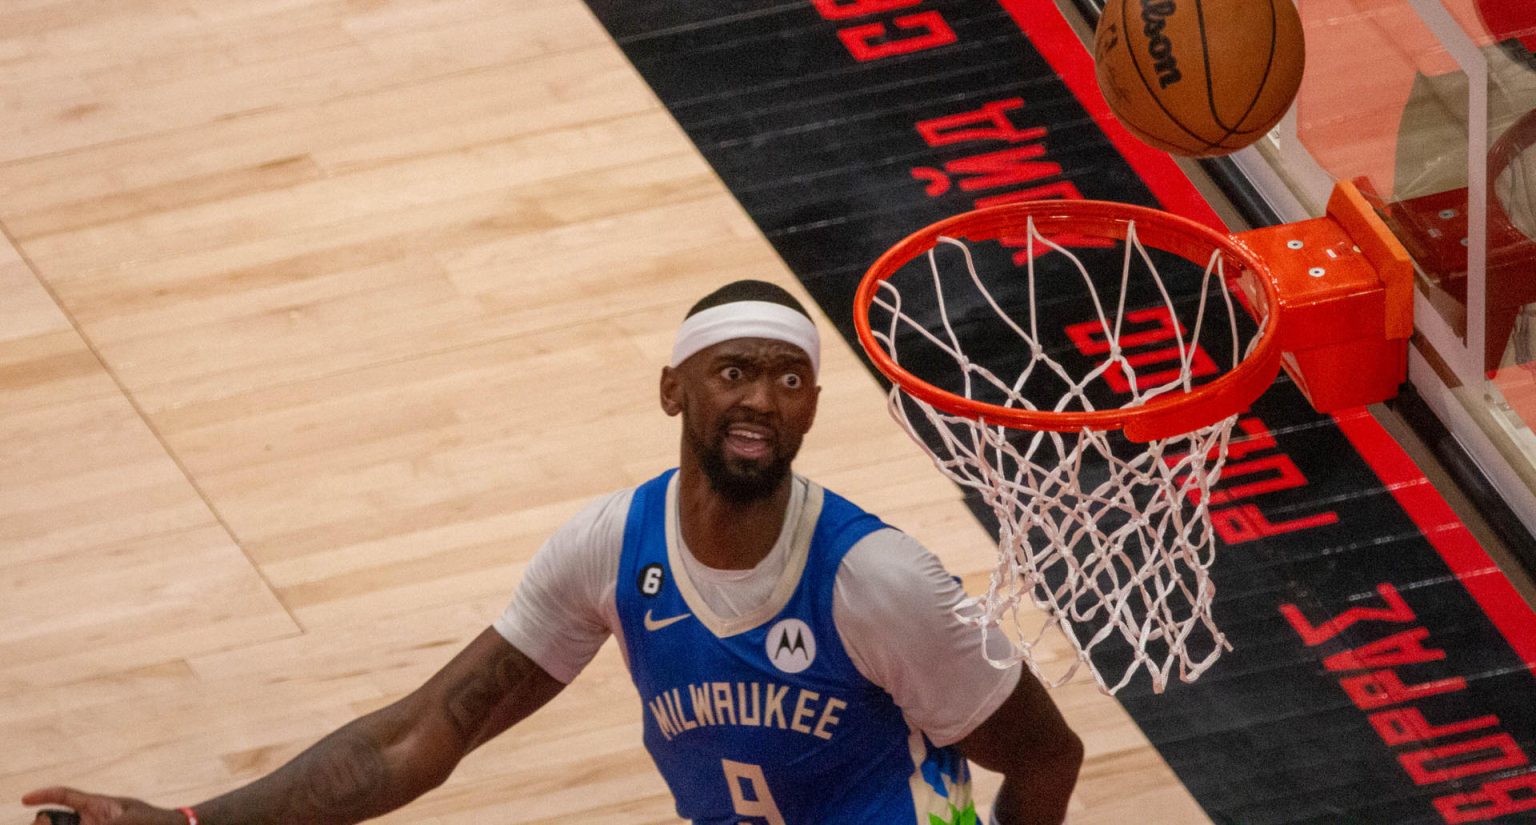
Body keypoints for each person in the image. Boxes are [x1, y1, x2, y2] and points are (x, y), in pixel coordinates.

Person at [24, 280, 1083, 825]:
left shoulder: (873, 578)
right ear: (673, 388)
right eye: (732, 372)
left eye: (788, 379)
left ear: (810, 407)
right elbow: (421, 734)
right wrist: (193, 819)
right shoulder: (611, 550)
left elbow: (1046, 755)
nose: (761, 397)